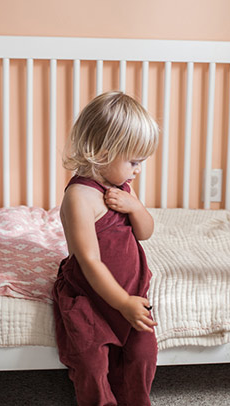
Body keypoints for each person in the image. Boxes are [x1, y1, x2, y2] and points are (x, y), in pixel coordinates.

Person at [53, 91, 160, 406]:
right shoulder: (79, 197)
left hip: (130, 289)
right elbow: (89, 261)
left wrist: (135, 207)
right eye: (134, 161)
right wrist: (122, 302)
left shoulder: (122, 187)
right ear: (102, 152)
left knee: (143, 351)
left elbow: (146, 233)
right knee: (90, 360)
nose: (138, 169)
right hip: (89, 294)